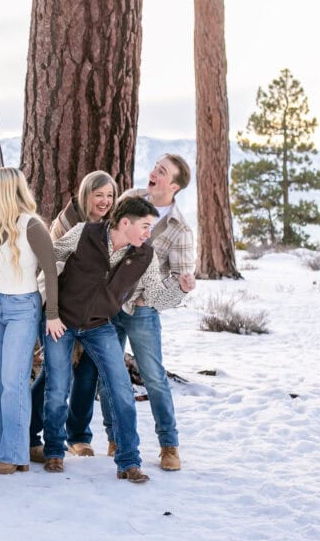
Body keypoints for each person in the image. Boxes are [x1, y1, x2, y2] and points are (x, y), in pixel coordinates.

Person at [68, 154, 196, 470]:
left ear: (174, 186)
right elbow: (105, 238)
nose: (154, 172)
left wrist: (153, 293)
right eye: (155, 167)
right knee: (103, 373)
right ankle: (114, 439)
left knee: (153, 376)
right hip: (109, 303)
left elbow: (180, 274)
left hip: (142, 310)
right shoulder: (129, 199)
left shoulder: (180, 229)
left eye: (162, 172)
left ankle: (169, 446)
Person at [42, 196, 159, 483]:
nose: (148, 233)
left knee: (121, 390)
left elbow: (155, 295)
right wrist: (51, 308)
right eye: (145, 226)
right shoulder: (84, 232)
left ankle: (129, 462)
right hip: (62, 321)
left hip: (99, 325)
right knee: (57, 389)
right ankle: (54, 450)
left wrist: (181, 289)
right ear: (124, 223)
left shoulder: (144, 255)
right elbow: (50, 258)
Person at [0, 168, 63, 475]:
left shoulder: (32, 225)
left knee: (14, 382)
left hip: (23, 308)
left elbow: (50, 271)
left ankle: (14, 454)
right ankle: (8, 448)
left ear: (5, 190)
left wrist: (51, 313)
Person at [27, 171, 117, 461]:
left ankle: (78, 435)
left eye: (110, 196)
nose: (104, 201)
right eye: (98, 194)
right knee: (55, 374)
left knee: (88, 373)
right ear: (86, 194)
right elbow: (50, 266)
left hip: (95, 313)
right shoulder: (67, 223)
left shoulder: (111, 226)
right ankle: (30, 433)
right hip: (59, 310)